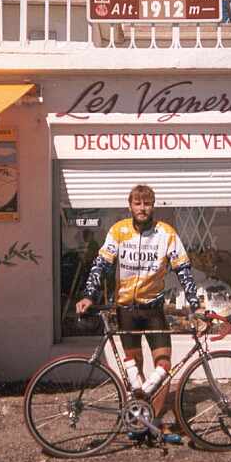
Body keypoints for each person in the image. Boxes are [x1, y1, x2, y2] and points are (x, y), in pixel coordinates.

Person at [76, 184, 199, 441]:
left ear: (153, 206)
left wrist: (196, 307)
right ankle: (139, 421)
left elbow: (184, 270)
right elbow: (101, 265)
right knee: (135, 369)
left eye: (147, 203)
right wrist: (89, 294)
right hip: (126, 310)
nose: (142, 208)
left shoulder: (166, 233)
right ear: (130, 206)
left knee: (163, 367)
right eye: (138, 203)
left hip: (153, 309)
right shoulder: (118, 231)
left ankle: (153, 421)